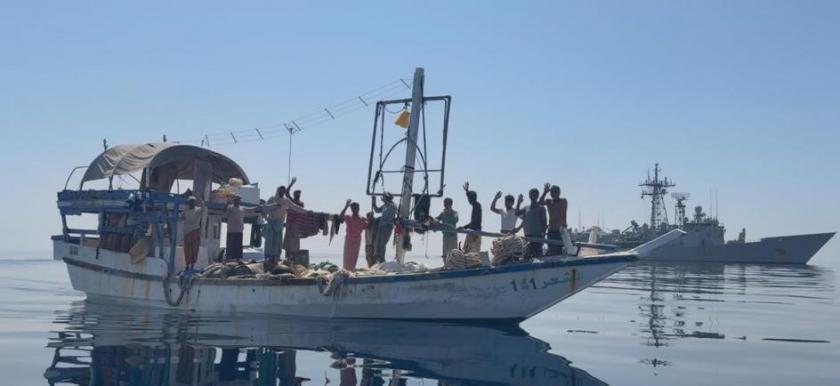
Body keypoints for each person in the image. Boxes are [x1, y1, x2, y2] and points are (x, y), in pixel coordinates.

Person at [264, 180, 304, 261]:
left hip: (281, 223)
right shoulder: (272, 199)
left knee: (279, 240)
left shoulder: (287, 201)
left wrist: (307, 212)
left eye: (283, 191)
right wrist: (267, 216)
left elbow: (297, 208)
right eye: (281, 190)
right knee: (270, 240)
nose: (282, 192)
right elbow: (265, 208)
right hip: (272, 222)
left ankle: (277, 256)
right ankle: (269, 257)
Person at [339, 200, 370, 271]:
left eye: (356, 208)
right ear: (351, 209)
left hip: (357, 241)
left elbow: (368, 225)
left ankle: (351, 269)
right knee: (347, 257)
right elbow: (340, 217)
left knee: (354, 257)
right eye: (353, 208)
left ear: (358, 208)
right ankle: (346, 270)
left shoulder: (362, 219)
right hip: (349, 240)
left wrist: (370, 218)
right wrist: (346, 206)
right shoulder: (348, 217)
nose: (354, 209)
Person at [539, 183, 568, 256]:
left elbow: (560, 208)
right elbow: (540, 203)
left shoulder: (563, 201)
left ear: (559, 193)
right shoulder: (549, 201)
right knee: (552, 251)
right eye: (552, 192)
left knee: (561, 251)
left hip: (561, 231)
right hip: (551, 231)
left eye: (556, 192)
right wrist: (545, 192)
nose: (554, 193)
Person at [516, 188, 547, 258]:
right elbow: (517, 213)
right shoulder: (526, 208)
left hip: (538, 237)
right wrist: (518, 202)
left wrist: (543, 236)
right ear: (529, 196)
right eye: (532, 195)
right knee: (527, 257)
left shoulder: (541, 208)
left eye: (535, 195)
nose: (533, 196)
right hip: (527, 237)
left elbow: (544, 223)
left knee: (538, 258)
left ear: (537, 196)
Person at [180, 196, 206, 270]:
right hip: (187, 232)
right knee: (187, 249)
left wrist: (202, 202)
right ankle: (187, 265)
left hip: (195, 230)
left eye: (193, 202)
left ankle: (192, 265)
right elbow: (181, 218)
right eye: (190, 202)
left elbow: (203, 209)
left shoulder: (198, 209)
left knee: (194, 249)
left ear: (194, 203)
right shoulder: (186, 210)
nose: (191, 203)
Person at [457, 182, 482, 253]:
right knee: (466, 251)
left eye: (469, 198)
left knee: (473, 253)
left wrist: (464, 227)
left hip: (475, 232)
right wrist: (467, 191)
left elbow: (475, 221)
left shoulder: (477, 206)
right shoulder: (475, 205)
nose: (468, 200)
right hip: (472, 230)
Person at [371, 192, 397, 263]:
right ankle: (378, 258)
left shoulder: (392, 205)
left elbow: (393, 209)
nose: (383, 198)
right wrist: (374, 202)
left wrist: (386, 200)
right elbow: (377, 210)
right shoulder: (385, 205)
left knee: (382, 243)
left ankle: (382, 258)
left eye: (384, 197)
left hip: (388, 226)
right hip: (381, 226)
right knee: (377, 242)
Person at [225, 195, 245, 260]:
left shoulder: (241, 208)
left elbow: (249, 210)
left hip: (239, 230)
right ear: (234, 201)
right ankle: (229, 258)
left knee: (238, 245)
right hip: (231, 230)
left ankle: (238, 259)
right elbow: (225, 212)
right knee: (230, 245)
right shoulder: (230, 207)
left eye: (239, 200)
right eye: (237, 200)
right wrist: (227, 203)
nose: (238, 201)